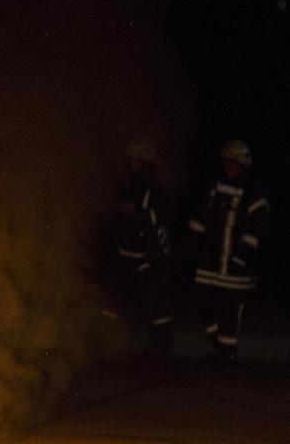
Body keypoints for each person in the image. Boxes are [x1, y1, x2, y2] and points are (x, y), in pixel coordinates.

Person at [187, 139, 270, 365]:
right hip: (211, 261)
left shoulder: (254, 193)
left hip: (237, 266)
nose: (229, 167)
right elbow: (200, 217)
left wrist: (241, 257)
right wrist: (193, 245)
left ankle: (226, 354)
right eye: (226, 163)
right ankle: (219, 345)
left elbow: (256, 231)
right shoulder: (215, 187)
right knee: (201, 300)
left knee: (230, 309)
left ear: (243, 164)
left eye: (233, 163)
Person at [114, 139, 174, 353]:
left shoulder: (157, 186)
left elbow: (161, 216)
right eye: (131, 161)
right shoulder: (129, 184)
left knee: (157, 301)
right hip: (131, 251)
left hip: (153, 252)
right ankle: (114, 342)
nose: (132, 165)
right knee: (125, 298)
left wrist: (137, 213)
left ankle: (162, 346)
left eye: (136, 161)